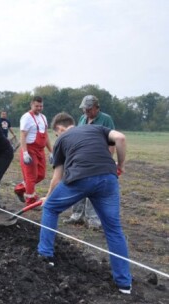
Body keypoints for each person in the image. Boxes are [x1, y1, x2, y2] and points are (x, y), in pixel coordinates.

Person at [37, 112, 132, 295]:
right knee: (113, 229)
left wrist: (48, 197)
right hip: (107, 179)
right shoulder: (97, 128)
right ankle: (124, 284)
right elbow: (120, 138)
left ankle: (45, 255)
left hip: (80, 178)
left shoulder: (62, 139)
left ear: (60, 129)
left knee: (50, 208)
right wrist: (120, 165)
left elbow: (58, 177)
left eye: (57, 133)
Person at [65, 95, 116, 229]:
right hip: (81, 160)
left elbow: (112, 142)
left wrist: (108, 158)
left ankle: (93, 220)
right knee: (78, 185)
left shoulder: (106, 119)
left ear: (97, 108)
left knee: (94, 189)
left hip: (98, 160)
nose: (86, 111)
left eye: (89, 109)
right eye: (84, 109)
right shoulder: (83, 119)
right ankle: (77, 216)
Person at [14, 96, 53, 206]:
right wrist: (25, 153)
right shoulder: (26, 117)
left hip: (40, 150)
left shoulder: (43, 118)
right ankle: (31, 201)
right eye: (36, 106)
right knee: (31, 177)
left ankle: (19, 188)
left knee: (41, 175)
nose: (39, 108)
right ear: (31, 105)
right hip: (30, 150)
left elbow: (45, 136)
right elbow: (22, 136)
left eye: (41, 106)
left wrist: (51, 151)